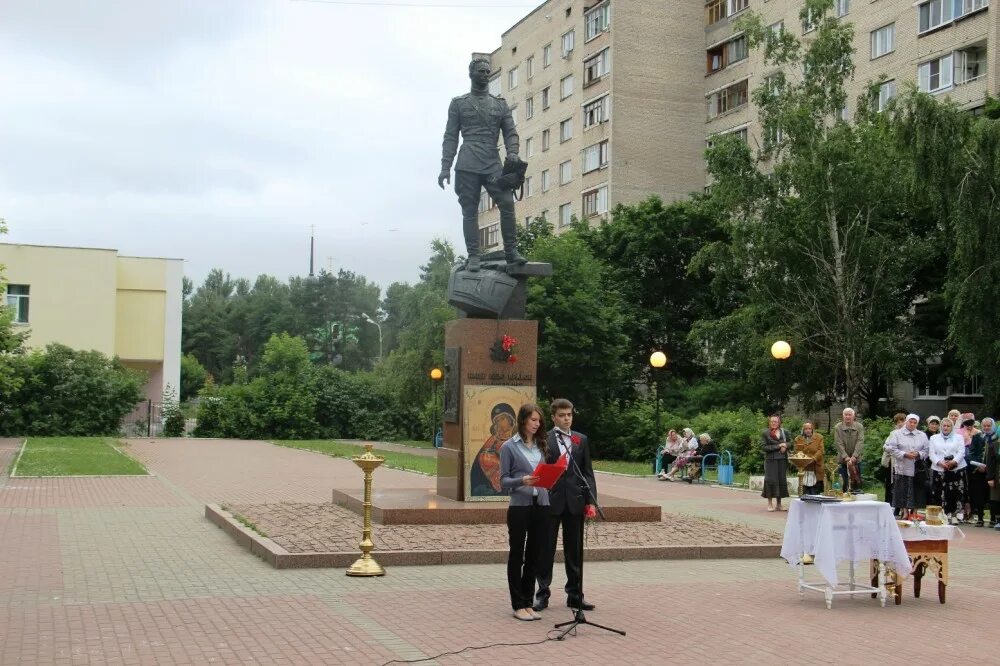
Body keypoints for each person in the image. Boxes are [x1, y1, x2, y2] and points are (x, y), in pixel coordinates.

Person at [439, 57, 526, 272]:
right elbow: (450, 137)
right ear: (471, 74)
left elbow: (510, 132)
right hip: (467, 162)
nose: (486, 75)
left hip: (492, 162)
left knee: (507, 202)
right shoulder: (459, 104)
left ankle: (511, 251)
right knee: (470, 209)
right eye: (481, 71)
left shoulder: (500, 104)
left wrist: (513, 152)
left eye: (488, 71)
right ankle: (473, 255)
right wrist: (445, 167)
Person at [534, 398, 598, 612]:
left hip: (575, 501)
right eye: (562, 415)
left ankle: (575, 595)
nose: (566, 419)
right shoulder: (543, 439)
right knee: (546, 550)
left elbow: (587, 473)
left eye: (569, 415)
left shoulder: (581, 439)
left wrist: (591, 501)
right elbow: (538, 468)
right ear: (553, 417)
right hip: (550, 501)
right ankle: (542, 594)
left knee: (575, 551)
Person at [499, 403, 550, 621]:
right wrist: (522, 480)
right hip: (520, 506)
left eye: (539, 421)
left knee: (534, 555)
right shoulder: (508, 447)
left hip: (542, 505)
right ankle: (517, 604)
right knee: (517, 554)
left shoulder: (541, 445)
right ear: (523, 421)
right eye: (533, 420)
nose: (537, 424)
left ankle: (529, 602)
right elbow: (503, 481)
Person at [884, 414, 929, 518]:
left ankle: (915, 512)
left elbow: (926, 450)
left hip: (917, 467)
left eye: (915, 423)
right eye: (910, 422)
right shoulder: (897, 434)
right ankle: (904, 511)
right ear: (906, 422)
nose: (912, 424)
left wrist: (918, 454)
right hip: (902, 465)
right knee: (902, 489)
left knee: (917, 490)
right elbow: (892, 448)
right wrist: (904, 454)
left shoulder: (922, 435)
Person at [470, 403, 516, 496]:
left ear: (512, 423)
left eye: (502, 418)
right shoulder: (491, 442)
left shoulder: (518, 440)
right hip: (491, 487)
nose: (499, 423)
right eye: (497, 421)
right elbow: (477, 469)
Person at [928, 417, 968, 525]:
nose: (946, 428)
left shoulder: (958, 437)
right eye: (944, 426)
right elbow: (931, 453)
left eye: (948, 426)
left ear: (952, 427)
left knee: (955, 493)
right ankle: (942, 515)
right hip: (939, 468)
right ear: (941, 427)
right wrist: (940, 463)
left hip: (956, 469)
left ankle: (954, 515)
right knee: (939, 493)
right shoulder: (934, 438)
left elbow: (961, 452)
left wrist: (953, 462)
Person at [761, 415, 791, 511]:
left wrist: (785, 446)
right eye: (772, 421)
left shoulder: (784, 432)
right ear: (769, 422)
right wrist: (778, 446)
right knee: (770, 480)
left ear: (779, 422)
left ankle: (779, 504)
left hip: (782, 459)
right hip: (771, 460)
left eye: (775, 421)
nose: (774, 423)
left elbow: (790, 443)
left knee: (781, 480)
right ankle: (770, 504)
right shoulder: (765, 433)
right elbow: (764, 447)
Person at [834, 407, 866, 493]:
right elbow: (838, 443)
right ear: (843, 416)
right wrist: (846, 457)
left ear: (853, 416)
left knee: (856, 482)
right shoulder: (838, 427)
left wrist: (854, 456)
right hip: (842, 460)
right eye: (846, 415)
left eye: (849, 415)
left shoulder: (859, 426)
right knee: (843, 483)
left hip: (856, 460)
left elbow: (860, 441)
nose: (847, 417)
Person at [879, 413, 906, 510]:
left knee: (901, 485)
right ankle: (889, 505)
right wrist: (892, 449)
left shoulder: (908, 434)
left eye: (902, 421)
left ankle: (899, 508)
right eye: (898, 422)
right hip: (892, 463)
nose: (900, 424)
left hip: (904, 463)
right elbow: (885, 446)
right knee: (890, 485)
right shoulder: (893, 433)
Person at [967, 416, 989, 527]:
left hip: (992, 470)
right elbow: (972, 453)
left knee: (993, 495)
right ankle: (980, 517)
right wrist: (979, 465)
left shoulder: (996, 438)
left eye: (989, 426)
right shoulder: (977, 437)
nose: (986, 427)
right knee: (979, 494)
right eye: (984, 426)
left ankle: (994, 518)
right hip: (979, 470)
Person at [794, 422, 825, 495]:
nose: (808, 430)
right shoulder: (798, 439)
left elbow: (821, 450)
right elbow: (797, 451)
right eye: (806, 429)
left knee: (816, 490)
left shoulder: (819, 437)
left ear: (812, 429)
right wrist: (805, 460)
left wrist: (813, 458)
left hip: (816, 465)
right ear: (803, 430)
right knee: (804, 490)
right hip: (804, 466)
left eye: (809, 429)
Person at [982, 418, 1000, 529]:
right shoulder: (994, 445)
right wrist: (990, 478)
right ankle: (997, 519)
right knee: (996, 498)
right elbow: (990, 462)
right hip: (997, 475)